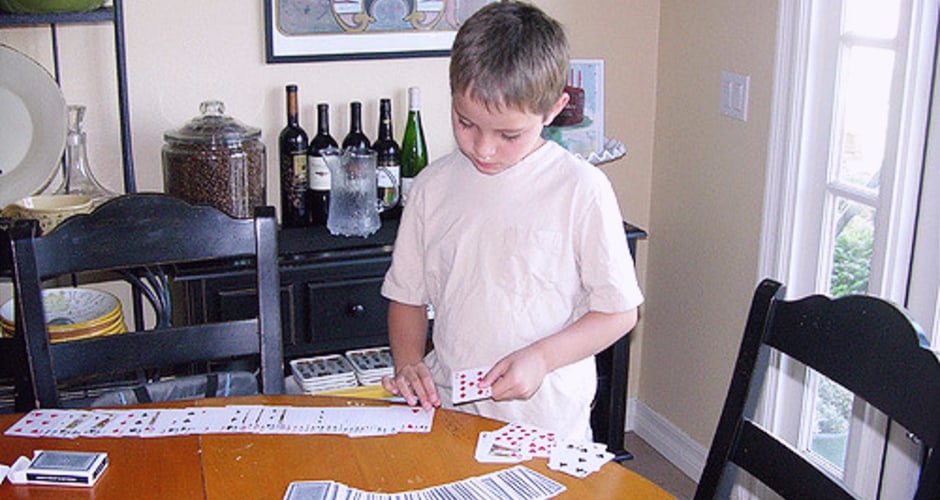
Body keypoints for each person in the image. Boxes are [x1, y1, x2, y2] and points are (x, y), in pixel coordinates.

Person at [380, 0, 643, 441]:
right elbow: (406, 297)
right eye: (466, 124)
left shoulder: (581, 189)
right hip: (450, 416)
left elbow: (618, 313)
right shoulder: (431, 187)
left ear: (554, 110)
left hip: (545, 426)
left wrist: (541, 357)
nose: (483, 149)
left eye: (509, 135)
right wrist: (408, 364)